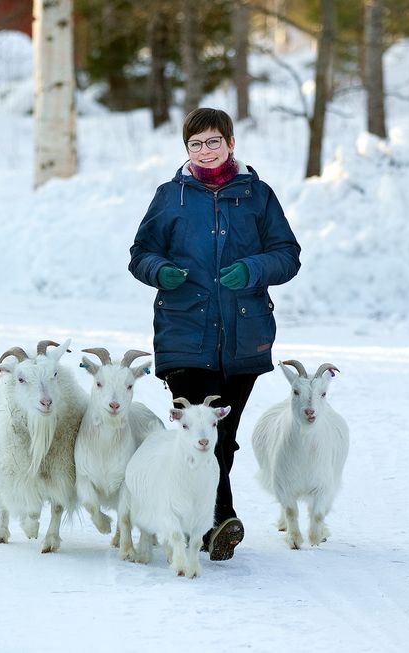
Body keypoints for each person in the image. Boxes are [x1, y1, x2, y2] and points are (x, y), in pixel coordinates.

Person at [128, 107, 301, 561]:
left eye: (213, 141)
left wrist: (253, 269)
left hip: (244, 336)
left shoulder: (257, 196)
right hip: (184, 334)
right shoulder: (171, 197)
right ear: (186, 149)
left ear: (230, 143)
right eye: (195, 144)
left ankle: (200, 520)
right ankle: (218, 521)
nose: (205, 151)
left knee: (223, 438)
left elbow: (287, 254)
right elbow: (141, 252)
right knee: (201, 432)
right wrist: (160, 270)